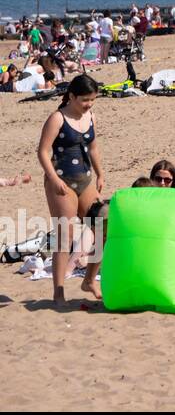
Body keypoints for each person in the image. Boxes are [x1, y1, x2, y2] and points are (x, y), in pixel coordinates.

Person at [37, 74, 104, 304]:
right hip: (62, 182)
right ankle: (59, 292)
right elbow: (43, 151)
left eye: (92, 99)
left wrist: (100, 173)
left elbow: (93, 148)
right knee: (65, 237)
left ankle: (89, 280)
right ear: (72, 96)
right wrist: (53, 178)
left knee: (102, 226)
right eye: (85, 100)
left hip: (85, 180)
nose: (89, 104)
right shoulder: (57, 118)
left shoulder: (91, 116)